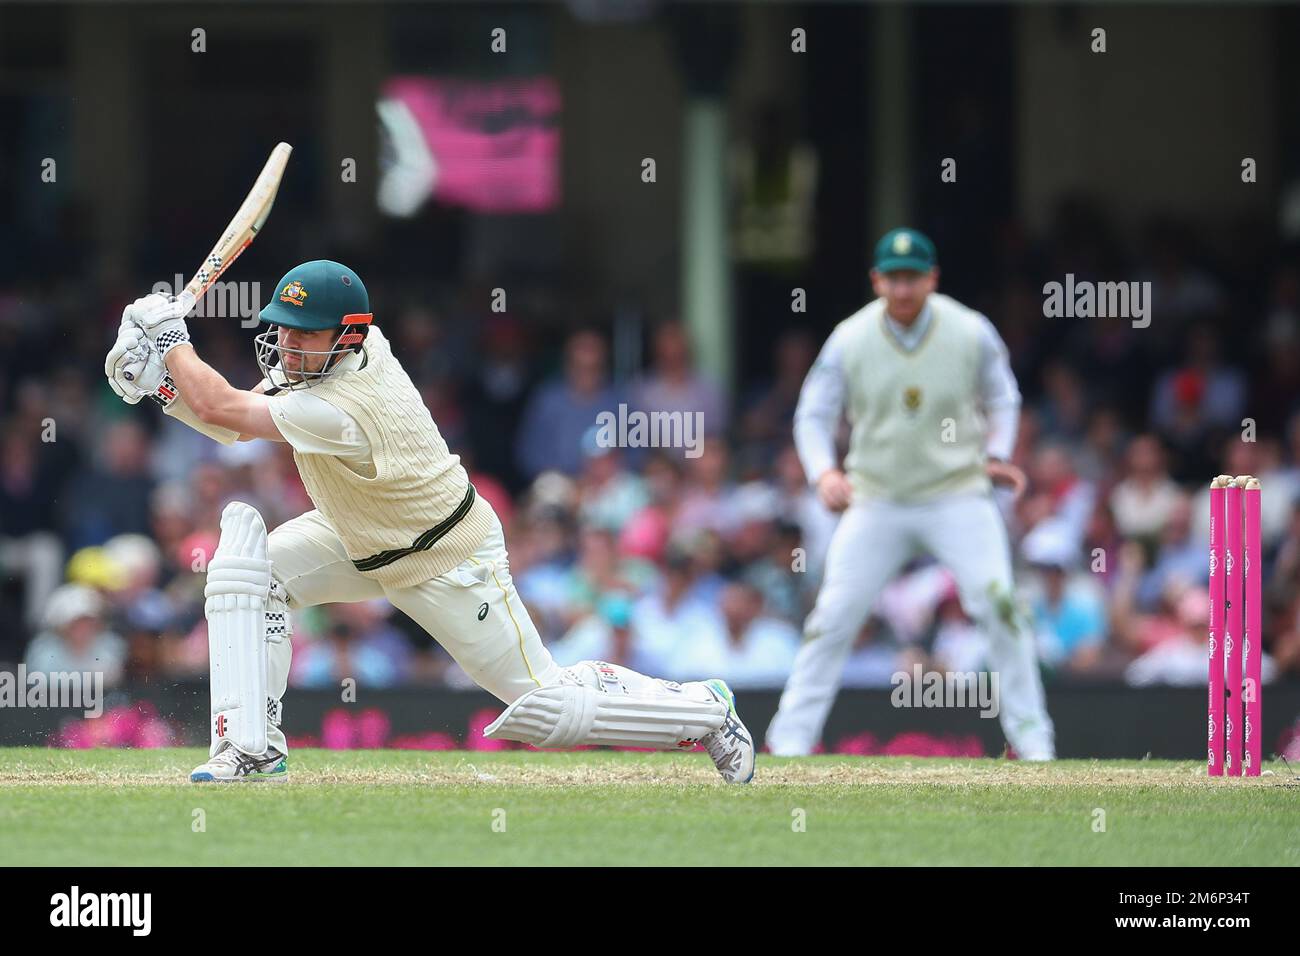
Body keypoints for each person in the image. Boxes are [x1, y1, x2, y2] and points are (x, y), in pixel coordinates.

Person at [103, 260, 754, 784]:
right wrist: (158, 388)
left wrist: (170, 344)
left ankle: (703, 709)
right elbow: (226, 419)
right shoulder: (351, 351)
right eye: (285, 328)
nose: (290, 346)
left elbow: (227, 412)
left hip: (445, 559)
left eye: (306, 333)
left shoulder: (345, 409)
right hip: (358, 532)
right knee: (248, 574)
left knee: (545, 706)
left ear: (348, 337)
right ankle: (251, 746)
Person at [765, 228, 1055, 759]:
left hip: (958, 493)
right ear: (877, 280)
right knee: (833, 615)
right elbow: (813, 414)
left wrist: (998, 453)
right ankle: (789, 740)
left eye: (913, 277)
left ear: (932, 278)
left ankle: (1033, 739)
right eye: (893, 278)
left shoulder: (970, 331)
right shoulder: (851, 337)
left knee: (1001, 606)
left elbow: (1003, 397)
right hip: (876, 498)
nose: (903, 289)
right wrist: (823, 473)